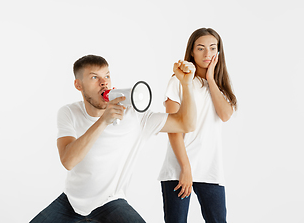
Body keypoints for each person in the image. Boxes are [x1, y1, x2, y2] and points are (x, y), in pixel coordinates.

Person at [30, 54, 197, 223]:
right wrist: (103, 121)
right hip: (70, 202)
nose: (104, 82)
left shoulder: (135, 115)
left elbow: (186, 124)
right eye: (94, 77)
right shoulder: (69, 113)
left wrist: (186, 84)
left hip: (111, 202)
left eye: (107, 76)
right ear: (78, 85)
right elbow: (68, 160)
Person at [158, 28, 237, 223]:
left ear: (218, 52)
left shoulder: (218, 86)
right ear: (192, 52)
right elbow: (173, 128)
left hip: (210, 169)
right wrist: (185, 168)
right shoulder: (179, 81)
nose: (207, 54)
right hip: (179, 168)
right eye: (201, 48)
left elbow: (225, 115)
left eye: (212, 48)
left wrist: (210, 79)